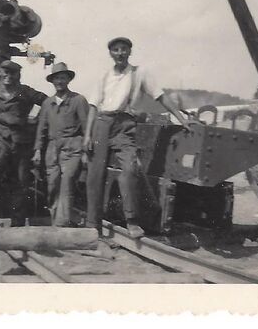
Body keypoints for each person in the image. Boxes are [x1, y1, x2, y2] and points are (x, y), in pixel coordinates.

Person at [83, 37, 195, 238]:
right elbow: (92, 105)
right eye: (116, 50)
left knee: (130, 169)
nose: (120, 53)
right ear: (110, 53)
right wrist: (87, 135)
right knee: (95, 174)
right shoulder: (104, 75)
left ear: (130, 51)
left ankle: (132, 221)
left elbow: (161, 96)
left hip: (125, 125)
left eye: (123, 49)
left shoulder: (140, 73)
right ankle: (93, 225)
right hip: (102, 124)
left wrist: (181, 119)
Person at [0, 60, 48, 225]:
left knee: (21, 180)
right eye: (5, 72)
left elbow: (46, 102)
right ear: (0, 73)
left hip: (21, 140)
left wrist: (36, 119)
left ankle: (17, 222)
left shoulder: (25, 91)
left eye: (12, 73)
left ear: (18, 75)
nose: (8, 76)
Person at [32, 62, 88, 227]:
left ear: (68, 80)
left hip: (73, 147)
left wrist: (85, 151)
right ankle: (55, 217)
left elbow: (87, 128)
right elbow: (41, 129)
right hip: (52, 149)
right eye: (56, 78)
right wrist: (37, 150)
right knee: (52, 185)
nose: (59, 82)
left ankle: (61, 223)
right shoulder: (47, 103)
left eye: (63, 78)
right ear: (52, 81)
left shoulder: (78, 100)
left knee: (67, 182)